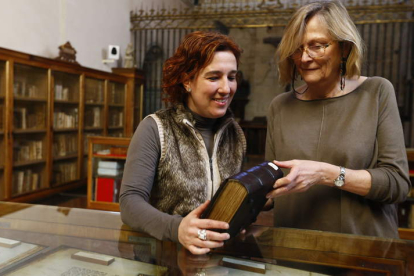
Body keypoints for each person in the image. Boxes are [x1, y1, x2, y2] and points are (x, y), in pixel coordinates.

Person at [265, 0, 411, 238]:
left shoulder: (376, 92)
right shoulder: (280, 106)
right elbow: (272, 185)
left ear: (344, 48)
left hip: (363, 257)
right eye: (297, 48)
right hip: (294, 253)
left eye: (317, 46)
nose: (304, 58)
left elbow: (397, 185)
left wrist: (326, 174)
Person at [120, 31, 246, 254]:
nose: (226, 88)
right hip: (164, 255)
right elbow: (130, 203)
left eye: (232, 77)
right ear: (187, 81)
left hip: (218, 258)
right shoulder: (156, 128)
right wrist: (177, 228)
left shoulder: (236, 134)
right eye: (214, 77)